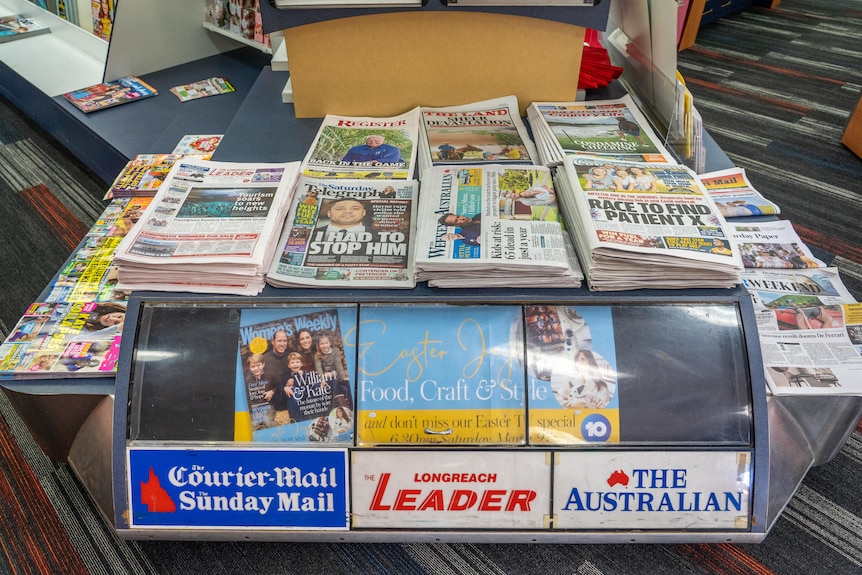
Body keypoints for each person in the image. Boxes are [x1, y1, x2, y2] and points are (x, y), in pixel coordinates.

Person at [265, 352, 305, 425]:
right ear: (289, 365)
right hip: (290, 399)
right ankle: (296, 421)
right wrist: (285, 387)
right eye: (292, 363)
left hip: (303, 399)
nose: (295, 364)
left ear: (301, 364)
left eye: (297, 362)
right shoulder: (286, 376)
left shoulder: (305, 374)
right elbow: (280, 385)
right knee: (294, 391)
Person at [314, 333, 352, 408]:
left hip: (336, 376)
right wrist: (322, 380)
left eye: (326, 343)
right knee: (334, 380)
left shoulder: (335, 351)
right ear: (318, 345)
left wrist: (343, 377)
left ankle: (351, 405)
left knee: (346, 384)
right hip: (326, 379)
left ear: (330, 343)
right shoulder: (317, 355)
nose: (324, 345)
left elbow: (338, 364)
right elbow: (318, 368)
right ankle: (339, 405)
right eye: (322, 344)